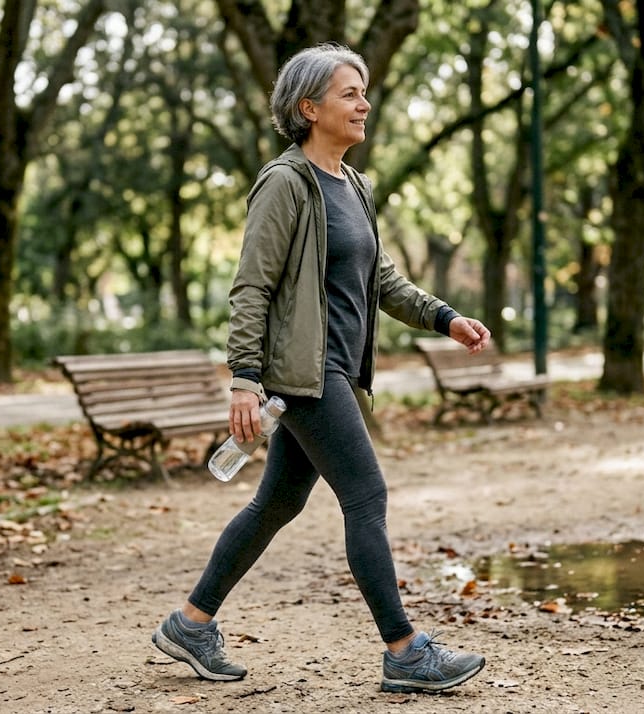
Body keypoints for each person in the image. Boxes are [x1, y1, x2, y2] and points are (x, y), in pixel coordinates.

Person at [152, 45, 492, 695]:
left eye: (364, 92)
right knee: (367, 497)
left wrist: (444, 317)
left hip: (332, 369)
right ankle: (404, 650)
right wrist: (245, 378)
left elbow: (382, 279)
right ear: (309, 109)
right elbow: (251, 286)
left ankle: (191, 623)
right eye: (349, 93)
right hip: (304, 373)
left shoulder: (353, 184)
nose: (364, 103)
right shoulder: (286, 183)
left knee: (275, 503)